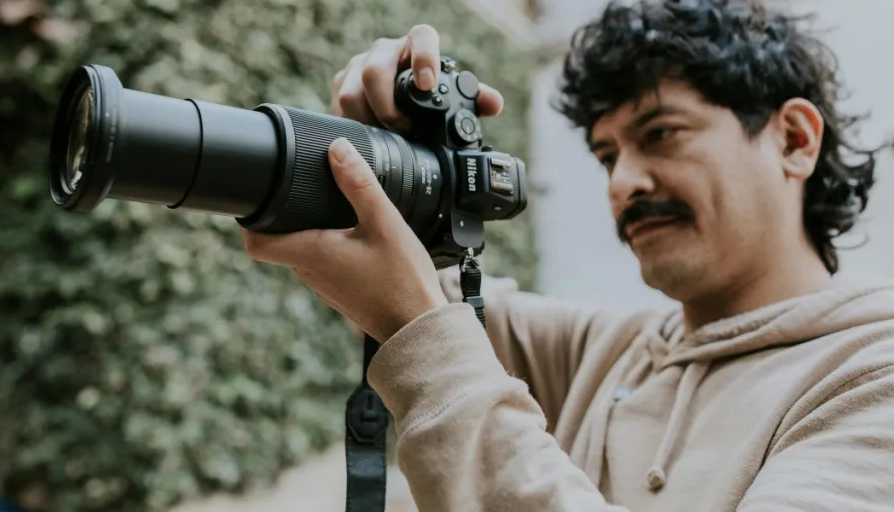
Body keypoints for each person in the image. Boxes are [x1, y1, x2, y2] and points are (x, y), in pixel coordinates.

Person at [242, 0, 894, 510]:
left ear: (794, 140)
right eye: (607, 155)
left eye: (660, 134)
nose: (620, 183)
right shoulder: (605, 351)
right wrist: (386, 156)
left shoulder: (870, 379)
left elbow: (426, 328)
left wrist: (421, 331)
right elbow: (389, 287)